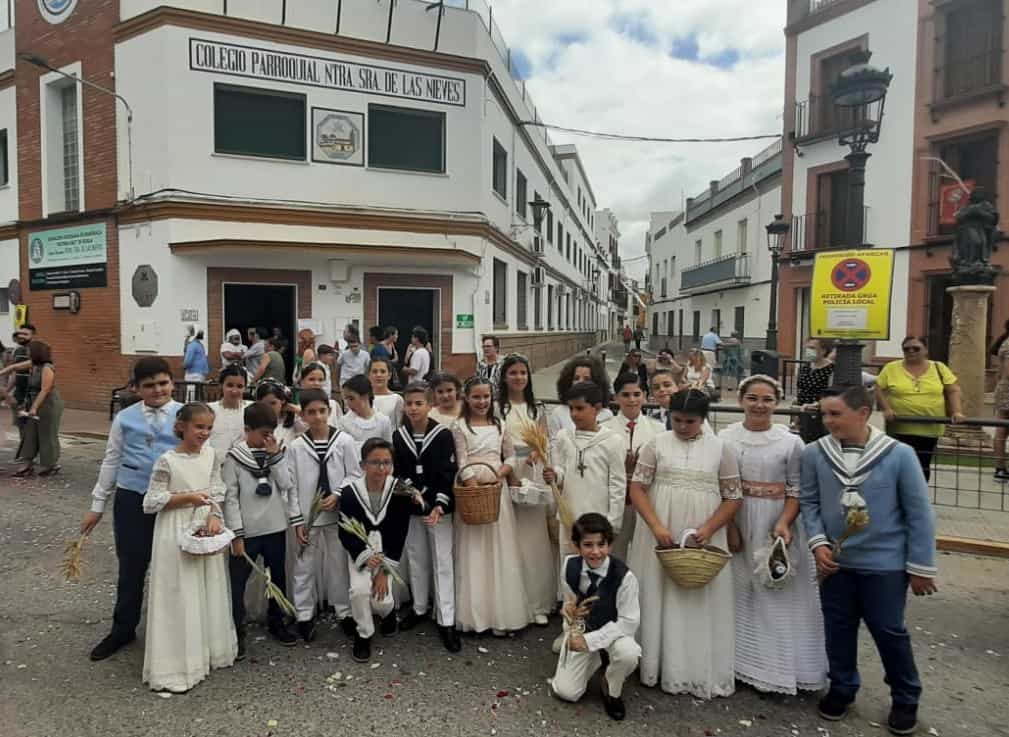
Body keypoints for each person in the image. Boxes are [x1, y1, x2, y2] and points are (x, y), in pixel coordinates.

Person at [800, 385, 937, 736]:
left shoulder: (899, 454)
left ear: (863, 413)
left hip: (884, 563)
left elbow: (919, 513)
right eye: (824, 414)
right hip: (836, 562)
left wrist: (921, 566)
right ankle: (842, 686)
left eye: (836, 414)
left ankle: (905, 697)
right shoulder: (816, 453)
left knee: (889, 630)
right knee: (838, 627)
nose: (828, 421)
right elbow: (810, 502)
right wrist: (818, 544)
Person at [628, 388, 742, 698]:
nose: (681, 426)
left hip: (702, 532)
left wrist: (708, 529)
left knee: (696, 597)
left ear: (703, 419)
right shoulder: (656, 444)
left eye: (690, 421)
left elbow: (733, 497)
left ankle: (693, 666)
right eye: (676, 419)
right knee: (658, 589)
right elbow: (637, 488)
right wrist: (655, 525)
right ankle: (655, 662)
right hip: (660, 529)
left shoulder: (721, 449)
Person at [719, 375, 827, 695]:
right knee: (740, 589)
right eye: (752, 398)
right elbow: (722, 485)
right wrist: (730, 525)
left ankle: (775, 668)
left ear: (777, 403)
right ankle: (740, 662)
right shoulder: (726, 438)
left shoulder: (790, 442)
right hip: (739, 516)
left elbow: (796, 488)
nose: (759, 405)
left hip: (775, 520)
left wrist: (784, 522)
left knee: (774, 590)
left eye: (767, 399)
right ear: (741, 400)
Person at [80, 358, 183, 662]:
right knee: (131, 567)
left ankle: (174, 631)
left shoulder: (186, 414)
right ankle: (123, 629)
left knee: (175, 566)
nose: (157, 390)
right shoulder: (124, 418)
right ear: (136, 388)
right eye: (149, 385)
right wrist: (97, 504)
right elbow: (111, 459)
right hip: (132, 498)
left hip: (173, 500)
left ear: (172, 384)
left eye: (163, 383)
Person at [142, 402, 236, 692]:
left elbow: (217, 488)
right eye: (199, 427)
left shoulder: (211, 454)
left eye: (209, 428)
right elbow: (151, 502)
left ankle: (205, 651)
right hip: (175, 528)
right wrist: (189, 498)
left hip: (203, 524)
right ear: (182, 426)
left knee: (205, 586)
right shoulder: (167, 461)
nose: (204, 433)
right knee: (180, 590)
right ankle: (176, 662)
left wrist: (214, 515)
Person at [451, 375, 532, 635]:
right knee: (475, 552)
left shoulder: (500, 424)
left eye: (486, 396)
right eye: (476, 397)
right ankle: (475, 616)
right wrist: (473, 485)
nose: (482, 401)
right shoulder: (460, 426)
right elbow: (462, 460)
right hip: (473, 493)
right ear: (466, 398)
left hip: (497, 493)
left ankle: (502, 614)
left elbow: (510, 456)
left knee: (500, 549)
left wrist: (500, 475)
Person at [223, 402, 302, 657]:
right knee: (238, 581)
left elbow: (286, 483)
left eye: (272, 433)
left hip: (275, 526)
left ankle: (276, 621)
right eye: (263, 434)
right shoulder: (234, 457)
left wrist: (275, 457)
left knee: (276, 577)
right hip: (247, 531)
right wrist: (236, 534)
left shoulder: (277, 452)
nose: (269, 438)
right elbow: (230, 498)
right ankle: (236, 629)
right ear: (247, 429)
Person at [550, 513, 641, 722]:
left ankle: (610, 685)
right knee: (566, 692)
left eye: (601, 544)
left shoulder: (625, 578)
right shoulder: (569, 566)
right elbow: (569, 603)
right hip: (584, 628)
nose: (596, 551)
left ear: (610, 545)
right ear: (577, 546)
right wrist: (570, 622)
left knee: (629, 653)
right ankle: (598, 658)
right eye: (588, 545)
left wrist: (590, 641)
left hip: (614, 633)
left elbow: (629, 622)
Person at [393, 382, 461, 653]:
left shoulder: (442, 434)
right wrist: (412, 492)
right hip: (411, 506)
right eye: (409, 404)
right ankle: (419, 607)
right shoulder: (399, 436)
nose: (413, 408)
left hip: (437, 509)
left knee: (442, 562)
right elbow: (398, 470)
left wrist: (438, 504)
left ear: (430, 405)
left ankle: (446, 619)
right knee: (416, 556)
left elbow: (448, 472)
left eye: (419, 403)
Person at [288, 388, 360, 641]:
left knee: (338, 564)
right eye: (311, 412)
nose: (317, 417)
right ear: (303, 416)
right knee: (304, 565)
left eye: (322, 411)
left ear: (329, 412)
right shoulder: (296, 446)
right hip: (308, 516)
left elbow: (355, 473)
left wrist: (338, 493)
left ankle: (343, 611)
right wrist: (297, 519)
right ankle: (304, 614)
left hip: (337, 514)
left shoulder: (344, 441)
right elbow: (291, 486)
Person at [337, 438, 415, 663]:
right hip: (360, 549)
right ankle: (364, 634)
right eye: (375, 462)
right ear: (363, 465)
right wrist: (363, 557)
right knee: (359, 591)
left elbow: (400, 531)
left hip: (387, 550)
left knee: (381, 599)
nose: (381, 468)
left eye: (386, 462)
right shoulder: (350, 493)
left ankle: (387, 613)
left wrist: (384, 570)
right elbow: (345, 531)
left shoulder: (399, 491)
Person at [546, 382, 626, 580]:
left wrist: (613, 523)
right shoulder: (564, 436)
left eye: (580, 408)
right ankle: (569, 600)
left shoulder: (613, 441)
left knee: (596, 569)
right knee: (569, 566)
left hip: (598, 517)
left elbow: (618, 484)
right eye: (571, 408)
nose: (574, 414)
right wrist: (555, 475)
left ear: (596, 408)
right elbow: (563, 469)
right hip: (569, 515)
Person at [499, 353, 556, 625]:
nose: (519, 377)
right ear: (504, 377)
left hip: (532, 471)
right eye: (513, 373)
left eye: (523, 372)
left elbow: (544, 437)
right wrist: (509, 471)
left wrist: (538, 449)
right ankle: (512, 602)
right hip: (508, 471)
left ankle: (538, 603)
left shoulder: (538, 408)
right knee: (511, 538)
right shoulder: (498, 409)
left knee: (534, 538)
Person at [875, 336, 964, 481]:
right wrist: (886, 408)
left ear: (925, 350)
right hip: (899, 427)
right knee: (899, 465)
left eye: (916, 348)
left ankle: (919, 493)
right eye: (906, 349)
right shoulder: (891, 367)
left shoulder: (939, 367)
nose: (911, 351)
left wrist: (957, 411)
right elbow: (879, 389)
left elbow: (953, 390)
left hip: (929, 428)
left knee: (922, 465)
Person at [602, 372, 663, 559]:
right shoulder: (604, 428)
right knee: (614, 552)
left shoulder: (658, 429)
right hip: (613, 500)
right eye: (626, 395)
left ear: (645, 396)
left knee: (643, 553)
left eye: (637, 394)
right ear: (616, 397)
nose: (632, 400)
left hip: (646, 501)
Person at [12, 340, 64, 477]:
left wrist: (34, 407)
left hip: (48, 403)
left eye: (29, 351)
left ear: (36, 352)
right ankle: (27, 463)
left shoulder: (47, 367)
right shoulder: (33, 364)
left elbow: (45, 390)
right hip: (34, 401)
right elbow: (15, 367)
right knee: (30, 432)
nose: (27, 353)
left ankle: (51, 464)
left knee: (46, 433)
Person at [549, 356, 614, 440]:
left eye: (587, 379)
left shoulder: (606, 415)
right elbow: (554, 444)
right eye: (576, 378)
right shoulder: (558, 413)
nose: (580, 382)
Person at [207, 364, 250, 468]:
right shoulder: (209, 410)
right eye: (230, 385)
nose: (234, 391)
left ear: (245, 388)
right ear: (221, 385)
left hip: (243, 468)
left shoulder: (250, 410)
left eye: (239, 386)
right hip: (213, 467)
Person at [339, 374, 393, 456]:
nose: (347, 403)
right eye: (346, 399)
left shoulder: (384, 421)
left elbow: (388, 451)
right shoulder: (344, 422)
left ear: (365, 396)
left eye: (351, 398)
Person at [795, 338, 835, 444]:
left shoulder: (831, 369)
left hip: (820, 414)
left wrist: (817, 404)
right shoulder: (805, 368)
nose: (808, 351)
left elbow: (831, 394)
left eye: (812, 348)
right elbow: (800, 390)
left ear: (823, 350)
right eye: (807, 348)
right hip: (802, 412)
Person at [256, 381, 305, 449]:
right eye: (264, 404)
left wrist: (293, 408)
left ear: (282, 400)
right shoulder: (254, 421)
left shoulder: (293, 420)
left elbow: (313, 425)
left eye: (273, 403)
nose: (269, 408)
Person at [370, 357, 404, 427]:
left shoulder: (397, 399)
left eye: (383, 371)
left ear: (389, 375)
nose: (378, 375)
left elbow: (399, 426)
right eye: (374, 371)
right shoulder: (362, 399)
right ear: (369, 375)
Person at [994, 336, 1009, 479]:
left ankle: (1000, 468)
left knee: (1001, 429)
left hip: (1003, 388)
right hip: (1007, 389)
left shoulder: (1005, 342)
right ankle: (1000, 467)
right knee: (1002, 430)